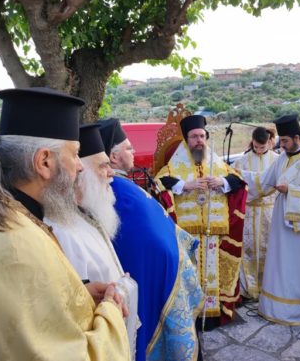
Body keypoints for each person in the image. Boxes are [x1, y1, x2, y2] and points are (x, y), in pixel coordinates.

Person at [0, 87, 130, 361]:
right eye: (74, 154)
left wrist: (77, 297)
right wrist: (110, 312)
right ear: (44, 161)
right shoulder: (16, 241)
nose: (79, 166)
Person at [99, 118, 203, 361]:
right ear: (113, 157)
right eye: (128, 148)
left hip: (162, 276)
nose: (134, 151)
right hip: (157, 282)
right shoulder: (119, 193)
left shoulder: (122, 187)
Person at [45, 124, 140, 359]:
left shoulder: (87, 215)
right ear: (81, 173)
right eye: (103, 166)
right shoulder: (60, 230)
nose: (111, 173)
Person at [155, 114, 246, 326]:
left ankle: (212, 315)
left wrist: (221, 181)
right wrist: (184, 185)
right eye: (194, 137)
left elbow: (238, 179)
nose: (199, 141)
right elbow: (159, 181)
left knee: (212, 274)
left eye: (202, 136)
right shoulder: (175, 164)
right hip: (188, 234)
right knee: (190, 274)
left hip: (213, 232)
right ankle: (191, 316)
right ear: (187, 140)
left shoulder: (215, 162)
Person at [239, 114, 300, 325]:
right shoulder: (282, 158)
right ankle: (276, 308)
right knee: (279, 265)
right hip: (280, 224)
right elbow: (262, 181)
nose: (281, 145)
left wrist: (291, 191)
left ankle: (297, 310)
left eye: (285, 140)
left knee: (295, 268)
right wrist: (233, 176)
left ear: (297, 138)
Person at [233, 126, 278, 300]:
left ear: (270, 142)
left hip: (269, 212)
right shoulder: (241, 162)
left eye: (262, 147)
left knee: (269, 248)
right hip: (249, 212)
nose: (259, 150)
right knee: (248, 249)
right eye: (256, 146)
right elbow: (237, 185)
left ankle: (268, 288)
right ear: (252, 142)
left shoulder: (277, 160)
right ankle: (248, 288)